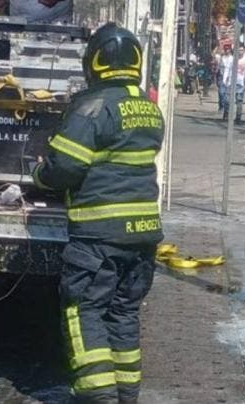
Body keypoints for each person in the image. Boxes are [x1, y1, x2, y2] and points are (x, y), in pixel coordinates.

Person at [32, 23, 164, 403]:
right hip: (143, 236)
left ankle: (98, 397)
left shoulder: (92, 107)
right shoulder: (149, 109)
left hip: (99, 237)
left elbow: (64, 167)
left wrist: (39, 174)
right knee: (123, 313)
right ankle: (126, 395)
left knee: (84, 311)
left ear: (94, 62)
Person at [218, 45, 234, 116]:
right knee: (221, 93)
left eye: (228, 49)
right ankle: (221, 106)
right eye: (225, 49)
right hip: (222, 76)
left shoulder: (232, 58)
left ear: (230, 50)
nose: (227, 51)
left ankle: (226, 108)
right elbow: (219, 67)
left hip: (230, 77)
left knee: (227, 94)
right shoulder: (222, 58)